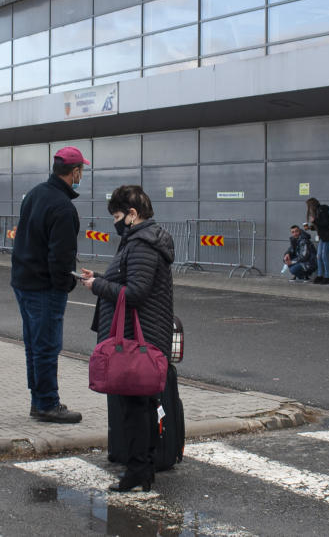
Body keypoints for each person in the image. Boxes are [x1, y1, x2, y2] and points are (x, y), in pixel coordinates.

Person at [80, 185, 174, 492]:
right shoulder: (139, 240)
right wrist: (101, 278)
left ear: (133, 215)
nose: (116, 222)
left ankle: (137, 471)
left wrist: (98, 287)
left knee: (135, 407)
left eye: (118, 216)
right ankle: (142, 470)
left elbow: (135, 293)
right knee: (141, 405)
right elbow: (129, 281)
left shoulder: (142, 244)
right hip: (142, 337)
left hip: (137, 340)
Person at [11, 146, 88, 424]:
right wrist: (65, 283)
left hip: (23, 281)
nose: (82, 174)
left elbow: (23, 237)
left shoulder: (34, 194)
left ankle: (38, 400)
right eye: (82, 170)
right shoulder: (62, 207)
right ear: (74, 171)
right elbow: (61, 256)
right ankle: (47, 404)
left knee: (34, 345)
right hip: (44, 287)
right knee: (46, 346)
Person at [305, 198, 329, 285]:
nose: (309, 209)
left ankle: (327, 277)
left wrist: (314, 221)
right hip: (323, 237)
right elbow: (320, 226)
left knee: (324, 256)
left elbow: (326, 223)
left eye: (309, 206)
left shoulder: (322, 210)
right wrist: (311, 227)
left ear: (312, 206)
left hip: (328, 236)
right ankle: (320, 276)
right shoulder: (318, 212)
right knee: (319, 256)